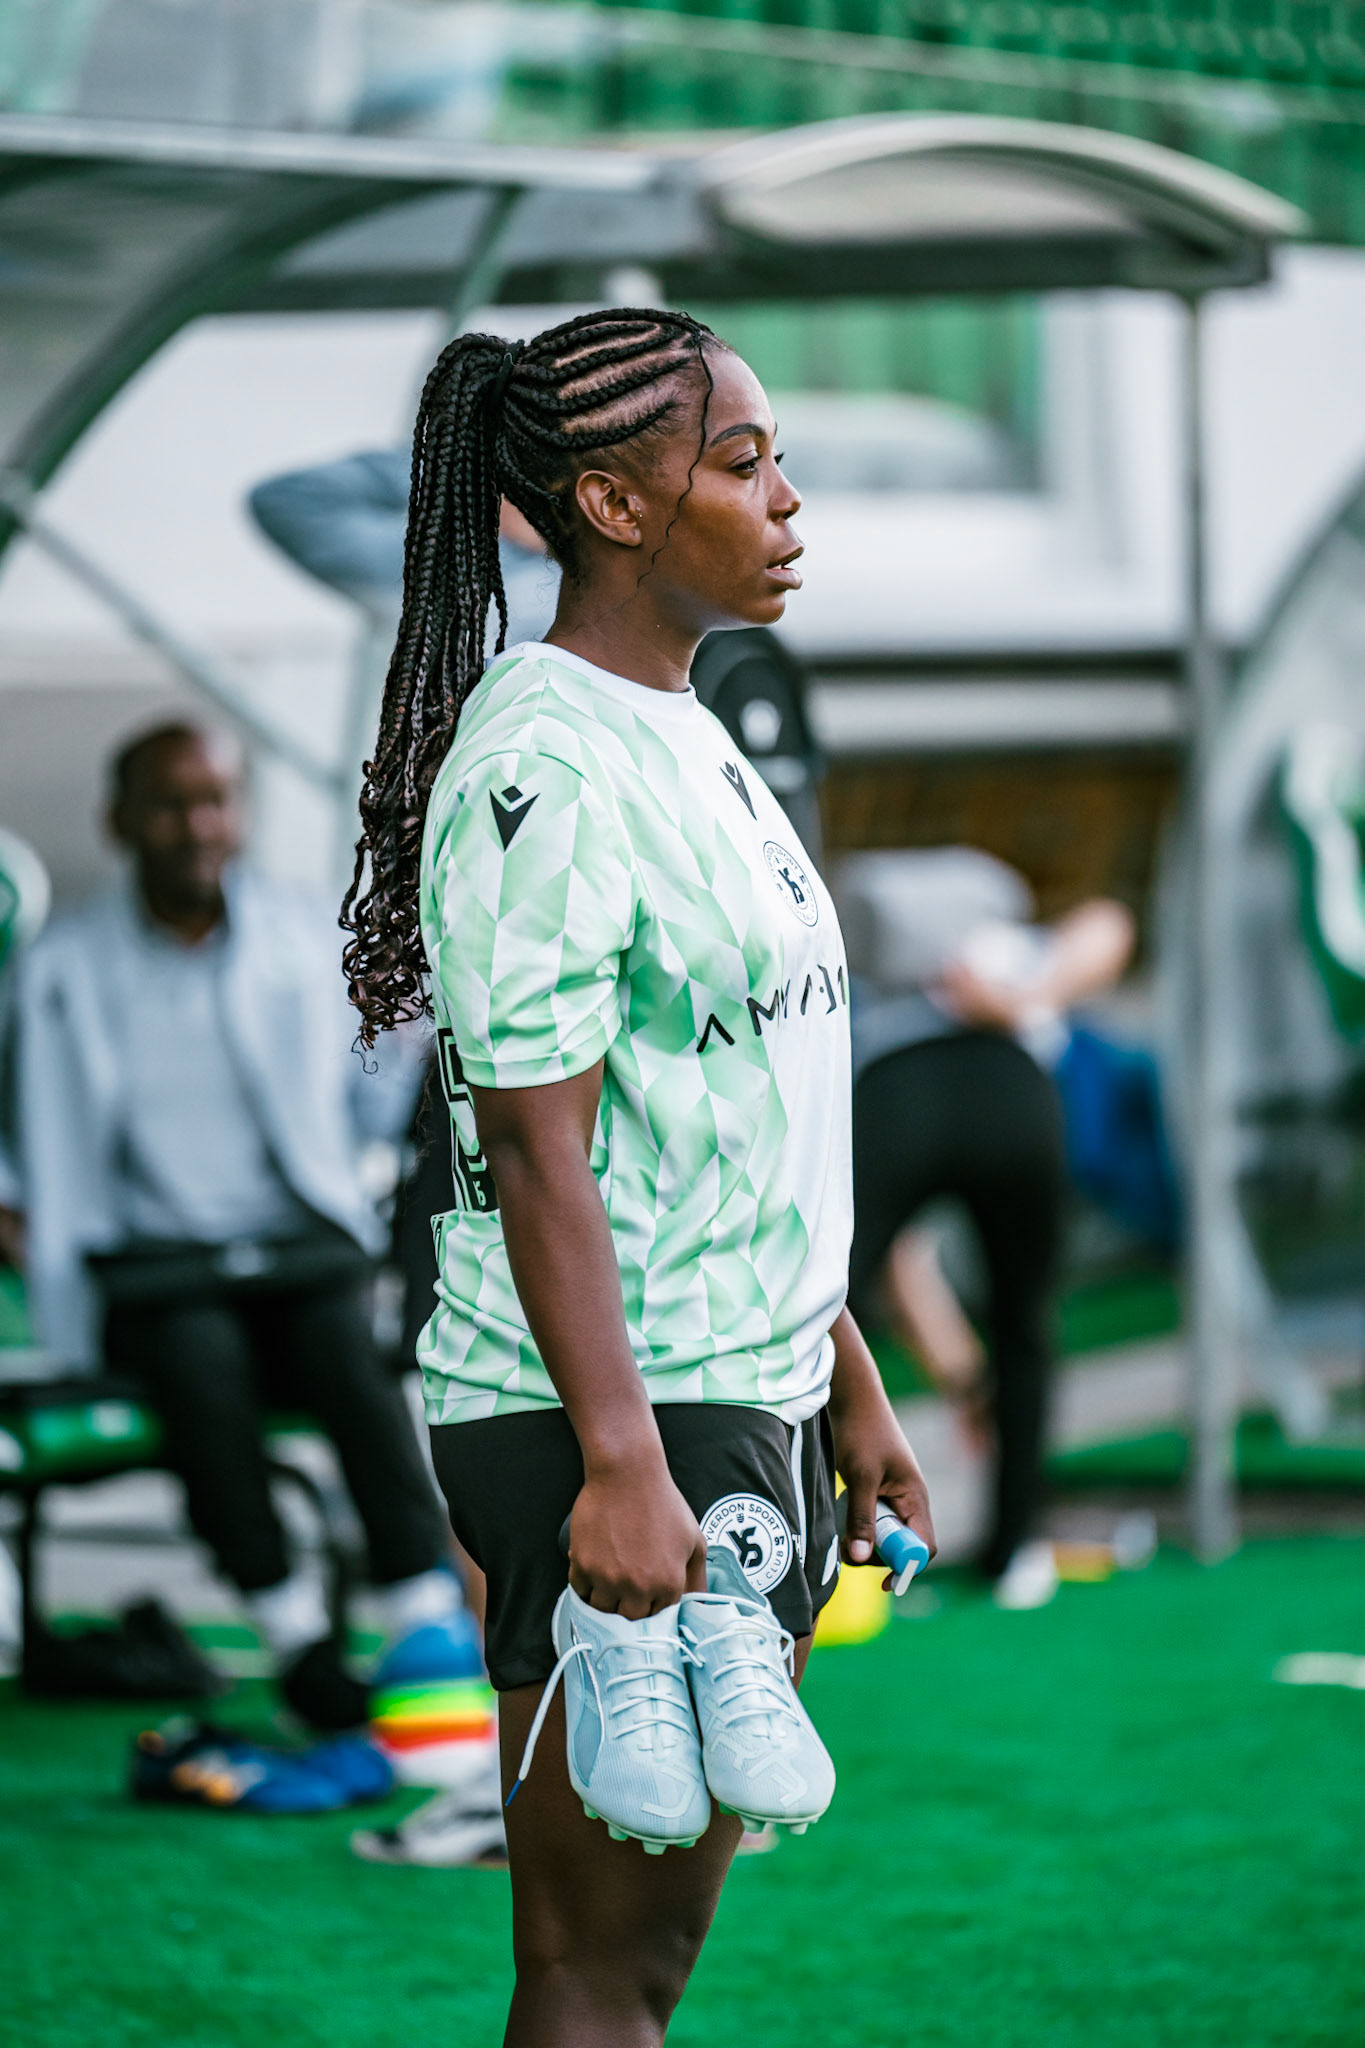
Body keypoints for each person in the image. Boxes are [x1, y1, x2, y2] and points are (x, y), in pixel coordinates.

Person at [341, 307, 935, 2047]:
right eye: (742, 465)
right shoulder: (547, 754)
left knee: (645, 1964)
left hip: (721, 1386)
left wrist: (846, 1371)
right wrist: (616, 1465)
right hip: (612, 1416)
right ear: (609, 502)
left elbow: (723, 1100)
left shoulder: (678, 718)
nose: (787, 501)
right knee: (602, 1965)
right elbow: (536, 1145)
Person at [2, 723, 458, 1728]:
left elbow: (380, 1082)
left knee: (347, 1346)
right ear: (118, 820)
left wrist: (364, 1167)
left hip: (294, 1252)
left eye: (216, 799)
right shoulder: (61, 965)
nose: (197, 824)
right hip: (153, 1266)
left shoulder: (306, 940)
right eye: (170, 801)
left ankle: (421, 1610)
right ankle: (291, 1630)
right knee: (198, 1359)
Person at [839, 847, 1134, 1609]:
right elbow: (1110, 926)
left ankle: (808, 1535)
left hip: (895, 1095)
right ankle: (1013, 1550)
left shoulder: (856, 983)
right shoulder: (1002, 951)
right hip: (1017, 1097)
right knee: (1026, 1323)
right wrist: (1029, 996)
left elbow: (892, 1264)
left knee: (814, 1304)